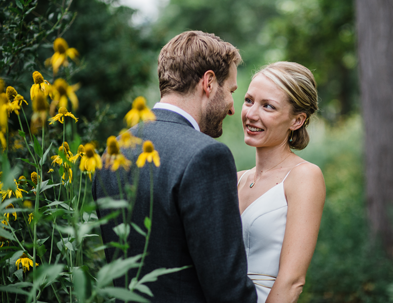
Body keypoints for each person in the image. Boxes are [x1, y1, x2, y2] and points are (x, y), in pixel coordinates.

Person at [92, 31, 257, 303]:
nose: (231, 107)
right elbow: (226, 287)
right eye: (231, 91)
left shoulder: (113, 150)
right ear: (209, 82)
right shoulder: (207, 156)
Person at [237, 62, 326, 303]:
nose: (251, 114)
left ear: (296, 120)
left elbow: (292, 281)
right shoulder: (236, 179)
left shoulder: (304, 176)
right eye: (249, 100)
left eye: (268, 106)